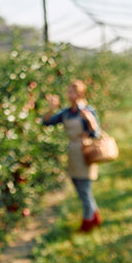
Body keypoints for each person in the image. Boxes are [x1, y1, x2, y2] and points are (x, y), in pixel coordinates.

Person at [42, 80, 102, 232]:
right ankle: (95, 217)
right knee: (79, 186)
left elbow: (96, 134)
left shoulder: (87, 111)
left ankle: (87, 223)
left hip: (85, 151)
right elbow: (47, 122)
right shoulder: (66, 112)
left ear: (79, 93)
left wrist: (90, 121)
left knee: (84, 188)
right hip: (72, 152)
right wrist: (51, 109)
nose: (68, 95)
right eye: (68, 91)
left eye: (71, 92)